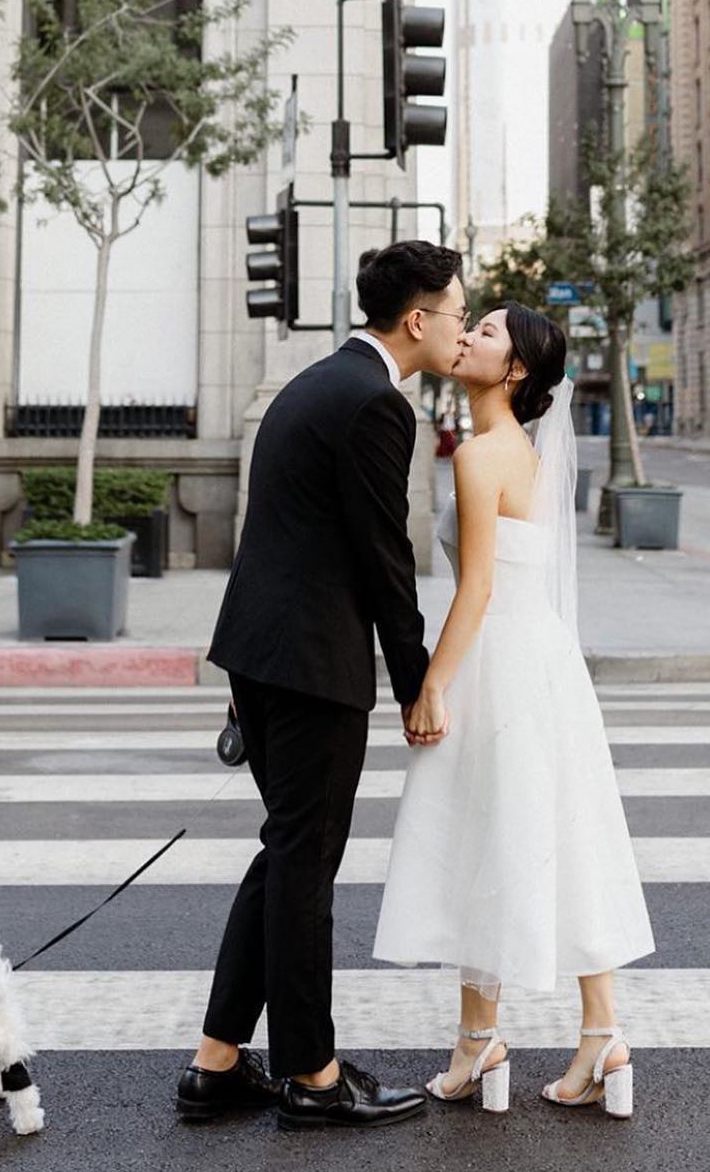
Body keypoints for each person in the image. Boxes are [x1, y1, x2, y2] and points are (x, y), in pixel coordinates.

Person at [177, 239, 466, 1130]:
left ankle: (217, 1065)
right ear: (415, 319)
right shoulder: (376, 404)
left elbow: (283, 535)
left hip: (261, 654)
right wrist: (418, 682)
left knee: (285, 853)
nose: (461, 330)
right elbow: (385, 557)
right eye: (458, 314)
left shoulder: (313, 383)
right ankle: (312, 1076)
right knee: (305, 867)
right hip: (309, 665)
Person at [373, 302, 655, 1119]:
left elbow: (477, 589)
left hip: (495, 659)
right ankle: (599, 1033)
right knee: (561, 835)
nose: (467, 335)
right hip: (545, 663)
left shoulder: (477, 454)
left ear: (516, 369)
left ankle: (479, 1040)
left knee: (481, 838)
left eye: (487, 331)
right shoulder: (528, 453)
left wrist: (430, 684)